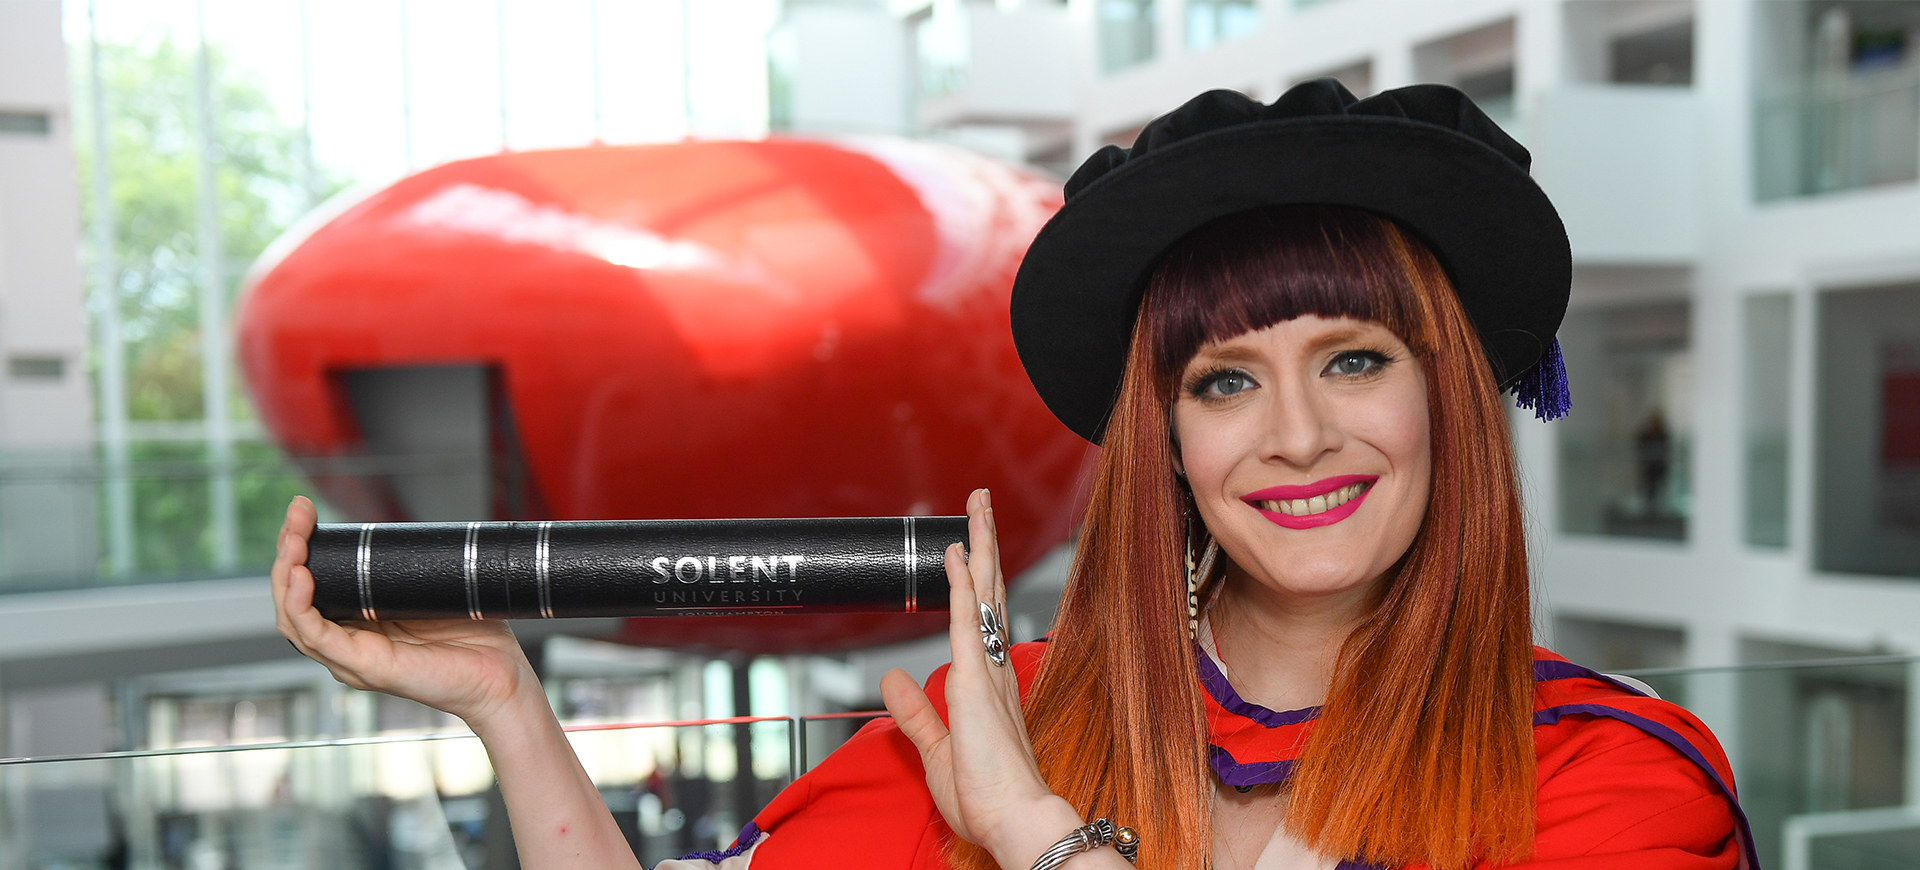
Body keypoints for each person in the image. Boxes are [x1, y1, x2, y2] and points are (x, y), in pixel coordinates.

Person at [272, 80, 1755, 870]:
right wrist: (509, 709)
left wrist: (1039, 838)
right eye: (1223, 380)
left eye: (1356, 358)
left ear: (1452, 389)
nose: (1297, 434)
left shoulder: (1606, 775)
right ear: (1168, 439)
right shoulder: (1012, 713)